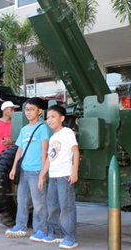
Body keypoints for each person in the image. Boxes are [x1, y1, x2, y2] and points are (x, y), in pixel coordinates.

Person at [6, 97, 49, 240]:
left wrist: (43, 172)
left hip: (36, 171)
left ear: (40, 111)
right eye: (26, 109)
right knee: (22, 200)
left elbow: (44, 150)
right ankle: (20, 226)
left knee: (39, 203)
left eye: (32, 109)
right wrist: (14, 168)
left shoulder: (43, 128)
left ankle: (41, 229)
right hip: (24, 170)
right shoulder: (24, 130)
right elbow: (19, 150)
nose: (28, 112)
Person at [38, 104, 80, 249]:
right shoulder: (53, 137)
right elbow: (50, 158)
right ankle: (55, 233)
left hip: (64, 176)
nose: (49, 120)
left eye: (53, 117)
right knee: (53, 206)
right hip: (53, 177)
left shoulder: (67, 132)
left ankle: (70, 237)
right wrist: (42, 175)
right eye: (48, 117)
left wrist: (74, 172)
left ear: (62, 118)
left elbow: (76, 152)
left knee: (66, 207)